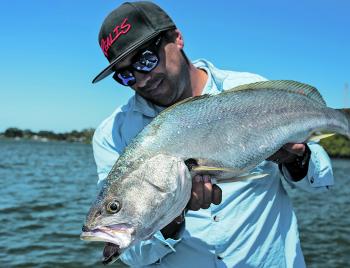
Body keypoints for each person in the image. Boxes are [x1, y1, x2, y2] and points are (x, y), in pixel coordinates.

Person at [91, 1, 334, 267]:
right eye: (124, 75)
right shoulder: (112, 134)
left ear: (177, 38)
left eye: (146, 59)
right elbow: (130, 255)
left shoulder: (248, 89)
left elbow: (320, 183)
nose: (141, 79)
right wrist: (170, 219)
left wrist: (295, 159)